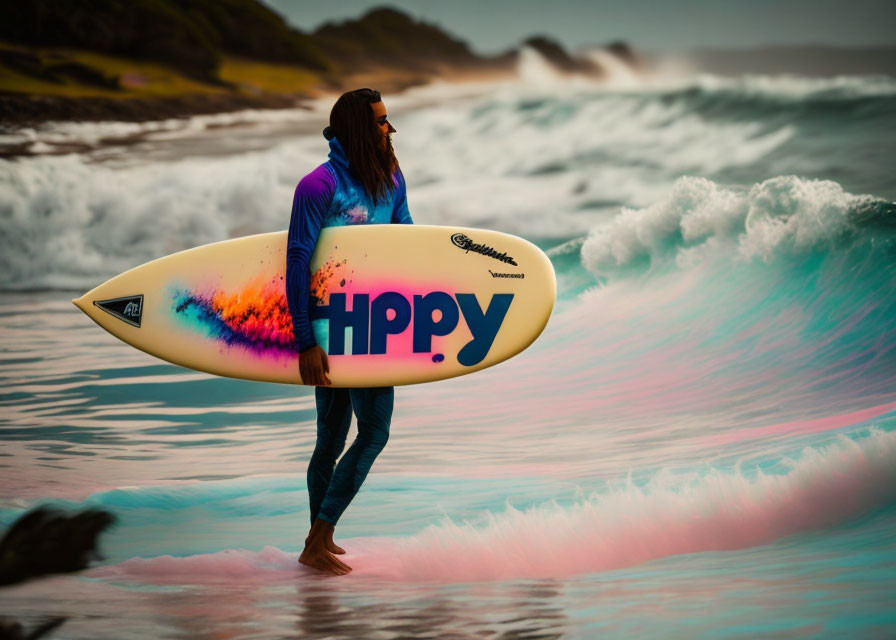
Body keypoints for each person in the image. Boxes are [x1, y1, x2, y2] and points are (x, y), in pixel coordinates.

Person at [286, 88, 413, 575]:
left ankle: (319, 537)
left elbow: (408, 242)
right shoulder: (318, 186)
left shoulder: (390, 179)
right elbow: (297, 260)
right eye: (381, 122)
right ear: (361, 129)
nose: (390, 129)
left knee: (356, 436)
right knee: (349, 435)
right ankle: (318, 539)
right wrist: (306, 342)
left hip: (375, 327)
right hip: (331, 330)